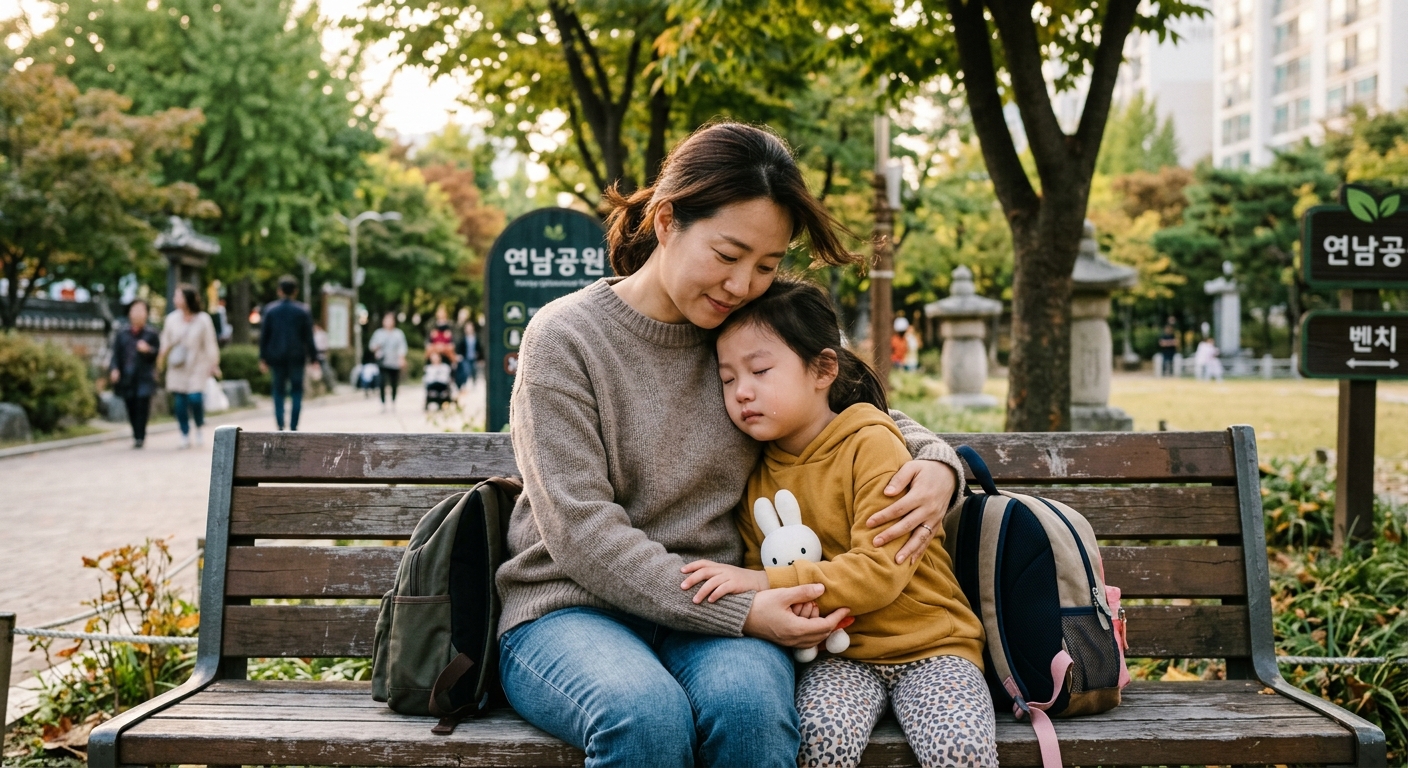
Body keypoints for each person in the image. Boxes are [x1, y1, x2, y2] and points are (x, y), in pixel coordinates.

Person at [496, 122, 965, 768]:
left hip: (717, 608)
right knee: (645, 716)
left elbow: (847, 402)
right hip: (572, 610)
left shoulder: (747, 328)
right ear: (666, 221)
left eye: (767, 265)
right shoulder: (566, 338)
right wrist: (745, 611)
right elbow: (581, 531)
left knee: (751, 714)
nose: (744, 284)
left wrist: (939, 463)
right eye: (728, 254)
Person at [681, 278, 995, 767]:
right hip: (838, 659)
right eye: (727, 379)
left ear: (823, 368)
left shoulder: (871, 443)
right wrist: (783, 604)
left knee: (961, 749)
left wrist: (763, 582)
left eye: (760, 370)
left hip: (932, 647)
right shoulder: (754, 473)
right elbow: (767, 582)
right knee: (817, 740)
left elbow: (879, 571)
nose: (742, 392)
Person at [158, 284, 220, 448]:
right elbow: (165, 340)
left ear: (188, 298)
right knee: (179, 403)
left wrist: (213, 363)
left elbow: (210, 343)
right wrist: (161, 354)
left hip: (198, 364)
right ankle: (184, 433)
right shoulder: (171, 319)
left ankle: (199, 427)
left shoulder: (203, 319)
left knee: (195, 398)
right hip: (177, 365)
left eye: (178, 296)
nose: (175, 299)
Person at [258, 276, 317, 431]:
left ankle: (280, 423)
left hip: (276, 356)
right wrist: (314, 358)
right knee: (296, 391)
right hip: (297, 356)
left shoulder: (270, 310)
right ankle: (294, 425)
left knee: (278, 390)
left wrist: (263, 357)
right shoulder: (303, 311)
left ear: (279, 291)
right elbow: (309, 337)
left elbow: (264, 336)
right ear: (295, 291)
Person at [109, 299, 161, 448]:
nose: (138, 313)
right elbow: (116, 355)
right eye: (135, 309)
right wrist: (114, 369)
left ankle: (140, 436)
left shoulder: (151, 334)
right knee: (131, 405)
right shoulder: (122, 334)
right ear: (130, 312)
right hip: (127, 377)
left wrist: (148, 350)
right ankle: (136, 434)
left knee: (142, 405)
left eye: (141, 310)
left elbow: (156, 354)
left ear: (146, 314)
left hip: (144, 377)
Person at [368, 312, 407, 411]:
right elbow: (372, 346)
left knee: (394, 383)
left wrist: (401, 359)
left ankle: (393, 401)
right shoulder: (379, 333)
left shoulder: (398, 334)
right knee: (382, 382)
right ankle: (383, 403)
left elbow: (402, 347)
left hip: (394, 362)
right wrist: (376, 348)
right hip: (383, 362)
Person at [454, 319, 480, 387]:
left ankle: (474, 383)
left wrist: (479, 355)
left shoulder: (476, 338)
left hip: (474, 358)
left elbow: (479, 348)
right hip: (466, 357)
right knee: (466, 370)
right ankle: (465, 383)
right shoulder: (463, 339)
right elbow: (460, 348)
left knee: (474, 370)